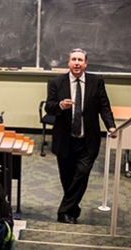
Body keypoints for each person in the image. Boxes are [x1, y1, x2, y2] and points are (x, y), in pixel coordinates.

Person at [45, 48, 116, 224]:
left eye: (80, 60)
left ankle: (63, 212)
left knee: (82, 173)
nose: (77, 63)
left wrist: (111, 126)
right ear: (68, 63)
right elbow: (49, 107)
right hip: (65, 140)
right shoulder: (56, 82)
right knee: (68, 179)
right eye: (73, 59)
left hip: (87, 140)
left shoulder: (96, 81)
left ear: (85, 63)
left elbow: (104, 106)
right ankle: (72, 211)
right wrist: (61, 105)